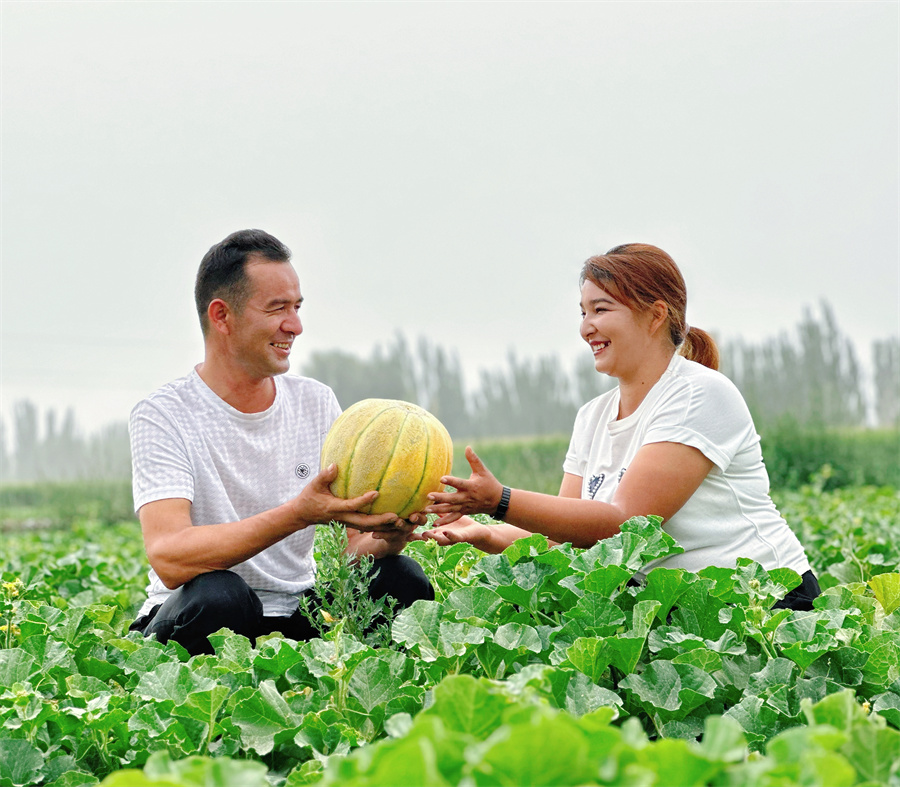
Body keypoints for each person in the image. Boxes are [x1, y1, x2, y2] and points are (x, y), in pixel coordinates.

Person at [420, 243, 820, 611]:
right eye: (583, 312)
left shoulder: (700, 394)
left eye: (601, 309)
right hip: (681, 613)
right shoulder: (592, 417)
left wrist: (499, 500)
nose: (586, 327)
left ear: (655, 315)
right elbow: (563, 537)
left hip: (768, 602)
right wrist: (484, 533)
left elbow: (626, 523)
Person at [128, 229, 432, 655]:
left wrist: (389, 535)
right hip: (202, 614)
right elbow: (169, 555)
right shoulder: (164, 413)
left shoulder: (316, 402)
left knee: (399, 576)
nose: (296, 325)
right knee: (220, 596)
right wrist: (297, 514)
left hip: (296, 615)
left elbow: (351, 548)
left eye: (297, 307)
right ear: (222, 316)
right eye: (278, 309)